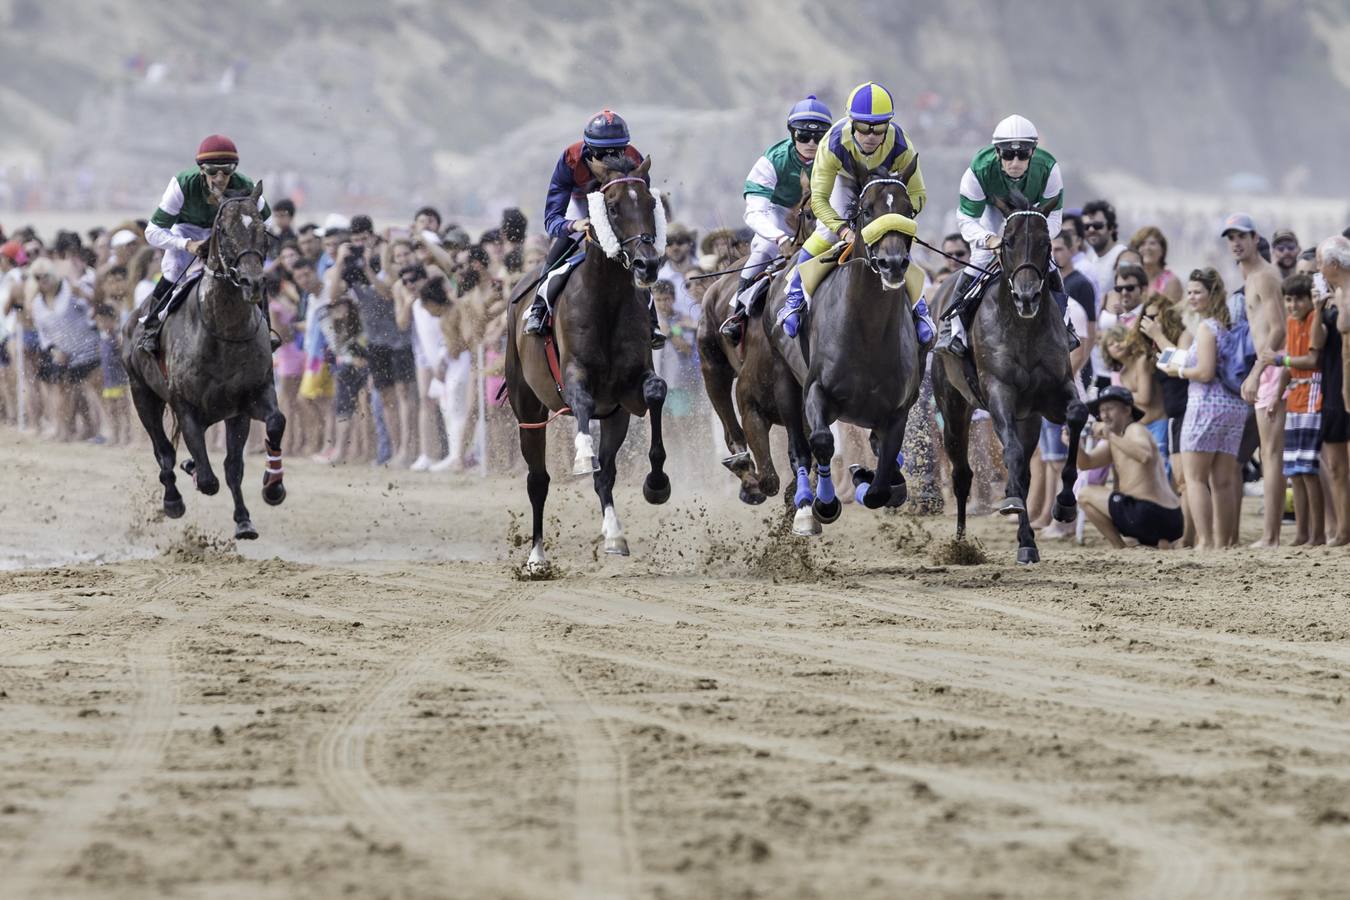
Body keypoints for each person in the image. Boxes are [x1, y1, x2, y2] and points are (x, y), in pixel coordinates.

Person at [779, 82, 929, 341]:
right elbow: (819, 200)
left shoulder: (902, 144)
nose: (871, 135)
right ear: (851, 122)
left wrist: (898, 219)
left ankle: (920, 309)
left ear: (888, 124)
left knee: (896, 242)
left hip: (883, 182)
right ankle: (794, 297)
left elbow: (918, 195)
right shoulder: (833, 143)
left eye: (879, 128)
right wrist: (844, 231)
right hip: (845, 179)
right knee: (826, 233)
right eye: (863, 127)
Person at [523, 109, 664, 347]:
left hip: (618, 212)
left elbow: (640, 206)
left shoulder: (634, 158)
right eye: (602, 153)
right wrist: (573, 225)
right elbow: (552, 219)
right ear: (589, 148)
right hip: (581, 206)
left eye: (616, 152)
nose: (610, 158)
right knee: (557, 253)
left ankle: (652, 322)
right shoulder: (570, 159)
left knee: (638, 259)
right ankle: (538, 309)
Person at [935, 114, 1065, 359]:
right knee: (979, 260)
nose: (1015, 162)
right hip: (992, 212)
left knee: (1048, 264)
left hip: (1032, 214)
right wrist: (989, 240)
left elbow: (1056, 216)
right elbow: (966, 218)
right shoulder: (978, 169)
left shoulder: (1049, 168)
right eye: (1008, 154)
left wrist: (1033, 237)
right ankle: (952, 331)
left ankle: (1065, 326)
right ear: (997, 152)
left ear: (1033, 152)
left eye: (1023, 154)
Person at [138, 135, 272, 353]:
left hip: (225, 233)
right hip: (186, 230)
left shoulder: (246, 185)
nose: (220, 178)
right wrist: (187, 245)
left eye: (227, 170)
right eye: (212, 171)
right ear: (201, 169)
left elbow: (268, 222)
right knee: (174, 269)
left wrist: (249, 246)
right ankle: (151, 327)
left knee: (250, 272)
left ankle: (266, 330)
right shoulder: (183, 184)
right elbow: (151, 232)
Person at [720, 95, 833, 342]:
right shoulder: (773, 160)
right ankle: (738, 316)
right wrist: (779, 237)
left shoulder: (835, 158)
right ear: (792, 134)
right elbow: (754, 211)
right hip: (779, 215)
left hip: (822, 215)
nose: (811, 143)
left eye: (819, 137)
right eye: (804, 136)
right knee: (764, 251)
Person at [1165, 268, 1247, 550]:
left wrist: (1179, 371)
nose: (1191, 297)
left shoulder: (1206, 328)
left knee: (1195, 479)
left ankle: (1205, 541)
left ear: (1212, 294)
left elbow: (1205, 372)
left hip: (1205, 406)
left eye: (1197, 292)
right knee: (1223, 480)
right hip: (1233, 407)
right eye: (1189, 292)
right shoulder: (1228, 327)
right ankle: (1223, 542)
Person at [1226, 213, 1288, 548]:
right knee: (1269, 453)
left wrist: (1256, 373)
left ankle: (1271, 536)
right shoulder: (1251, 277)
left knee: (1272, 454)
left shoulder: (1264, 276)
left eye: (1241, 236)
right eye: (1231, 237)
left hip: (1273, 368)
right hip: (1269, 367)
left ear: (1255, 238)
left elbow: (1279, 330)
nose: (1236, 243)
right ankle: (1274, 534)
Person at [1074, 385, 1183, 548]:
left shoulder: (1135, 429)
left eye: (1110, 409)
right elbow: (1086, 463)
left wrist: (1109, 435)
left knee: (1085, 494)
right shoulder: (1118, 438)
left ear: (1127, 410)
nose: (1105, 415)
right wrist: (1074, 442)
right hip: (1166, 517)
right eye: (1102, 411)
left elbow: (1144, 455)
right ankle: (1151, 543)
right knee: (1086, 494)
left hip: (1151, 512)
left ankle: (1120, 548)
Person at [1263, 273, 1324, 545]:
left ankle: (1317, 534)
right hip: (1295, 396)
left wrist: (1280, 360)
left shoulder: (1314, 319)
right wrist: (1276, 396)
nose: (1293, 305)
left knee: (1308, 469)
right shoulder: (1290, 322)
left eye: (1298, 299)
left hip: (1313, 393)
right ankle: (1301, 533)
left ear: (1310, 300)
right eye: (1288, 300)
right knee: (1295, 471)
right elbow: (1289, 365)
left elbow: (1312, 359)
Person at [1129, 226, 1182, 303]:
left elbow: (1172, 310)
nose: (1147, 248)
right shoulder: (1130, 279)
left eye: (1152, 243)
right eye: (1142, 244)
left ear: (1162, 250)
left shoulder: (1171, 281)